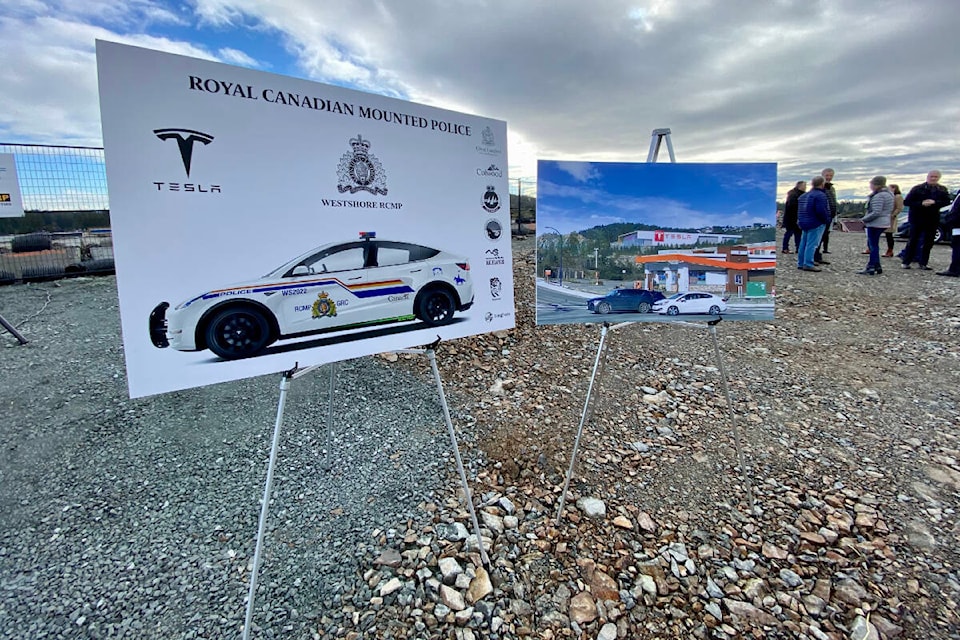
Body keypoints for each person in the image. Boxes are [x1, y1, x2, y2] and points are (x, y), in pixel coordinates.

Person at [902, 170, 951, 270]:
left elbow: (946, 202)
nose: (933, 178)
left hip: (932, 219)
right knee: (913, 240)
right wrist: (921, 203)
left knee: (928, 242)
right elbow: (907, 202)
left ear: (939, 178)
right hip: (917, 218)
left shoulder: (942, 189)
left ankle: (923, 262)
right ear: (927, 177)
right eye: (931, 176)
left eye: (936, 177)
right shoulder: (918, 188)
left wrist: (935, 202)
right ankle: (906, 261)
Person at [858, 176, 894, 275]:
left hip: (876, 223)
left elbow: (876, 212)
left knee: (873, 245)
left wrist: (864, 219)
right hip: (884, 222)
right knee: (874, 244)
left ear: (875, 184)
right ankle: (877, 266)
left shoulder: (879, 196)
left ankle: (871, 266)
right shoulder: (889, 194)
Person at [796, 176, 831, 272]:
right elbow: (821, 210)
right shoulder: (820, 195)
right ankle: (808, 263)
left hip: (804, 222)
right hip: (815, 222)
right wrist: (826, 220)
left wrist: (800, 220)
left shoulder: (803, 196)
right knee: (812, 244)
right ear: (822, 184)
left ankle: (801, 262)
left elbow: (799, 210)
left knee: (803, 243)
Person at [814, 168, 838, 264]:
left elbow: (833, 202)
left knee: (823, 236)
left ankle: (818, 256)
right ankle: (814, 257)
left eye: (830, 175)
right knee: (817, 238)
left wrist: (833, 214)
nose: (829, 177)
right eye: (827, 175)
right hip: (821, 216)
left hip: (829, 216)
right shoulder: (820, 188)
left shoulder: (831, 188)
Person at [936, 195, 960, 277]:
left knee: (957, 248)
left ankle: (954, 269)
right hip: (956, 225)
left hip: (958, 225)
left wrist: (951, 219)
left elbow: (956, 211)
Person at [782, 180, 805, 253]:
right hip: (791, 218)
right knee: (789, 233)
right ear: (799, 186)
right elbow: (791, 206)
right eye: (804, 186)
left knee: (798, 233)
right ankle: (785, 248)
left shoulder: (800, 194)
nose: (805, 187)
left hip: (797, 217)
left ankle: (798, 248)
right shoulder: (793, 194)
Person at [885, 184, 904, 257]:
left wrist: (893, 215)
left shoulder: (898, 197)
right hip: (885, 217)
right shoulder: (889, 196)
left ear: (894, 188)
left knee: (889, 235)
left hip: (891, 218)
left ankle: (890, 250)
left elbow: (899, 207)